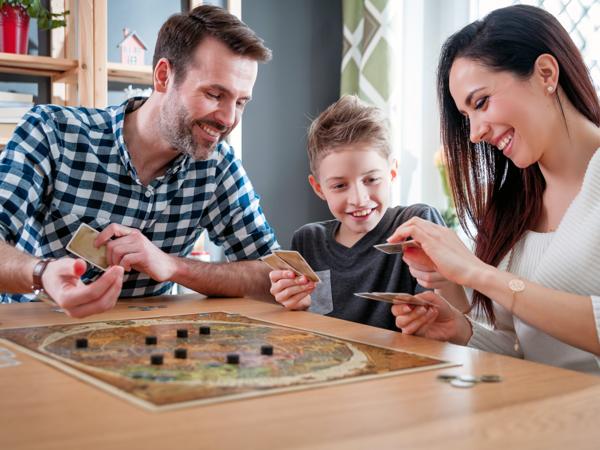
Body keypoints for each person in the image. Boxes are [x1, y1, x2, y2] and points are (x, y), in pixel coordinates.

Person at [0, 5, 279, 317]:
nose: (229, 119)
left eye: (241, 102)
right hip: (37, 336)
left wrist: (172, 266)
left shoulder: (218, 165)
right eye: (215, 95)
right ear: (163, 76)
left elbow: (272, 274)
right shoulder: (52, 132)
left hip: (148, 352)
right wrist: (42, 274)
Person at [389, 5, 600, 373]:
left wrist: (476, 272)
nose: (474, 134)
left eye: (481, 102)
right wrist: (462, 329)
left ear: (546, 74)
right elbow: (524, 350)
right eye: (466, 116)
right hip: (541, 415)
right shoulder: (511, 207)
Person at [268, 95, 468, 331]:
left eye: (372, 179)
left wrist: (446, 288)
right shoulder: (308, 240)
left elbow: (452, 319)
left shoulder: (417, 225)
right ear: (319, 188)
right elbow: (308, 325)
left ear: (392, 172)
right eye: (340, 186)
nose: (359, 199)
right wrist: (295, 305)